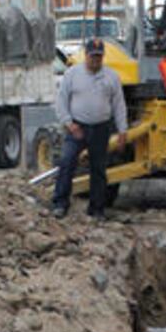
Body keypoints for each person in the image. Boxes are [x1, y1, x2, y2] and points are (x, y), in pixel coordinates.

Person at [51, 37, 127, 220]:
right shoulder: (72, 74)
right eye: (93, 56)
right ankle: (60, 204)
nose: (96, 60)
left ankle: (97, 209)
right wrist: (69, 123)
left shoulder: (111, 77)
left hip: (101, 128)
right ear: (86, 55)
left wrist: (122, 130)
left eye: (99, 57)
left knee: (99, 169)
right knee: (67, 162)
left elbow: (119, 105)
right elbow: (61, 101)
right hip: (77, 127)